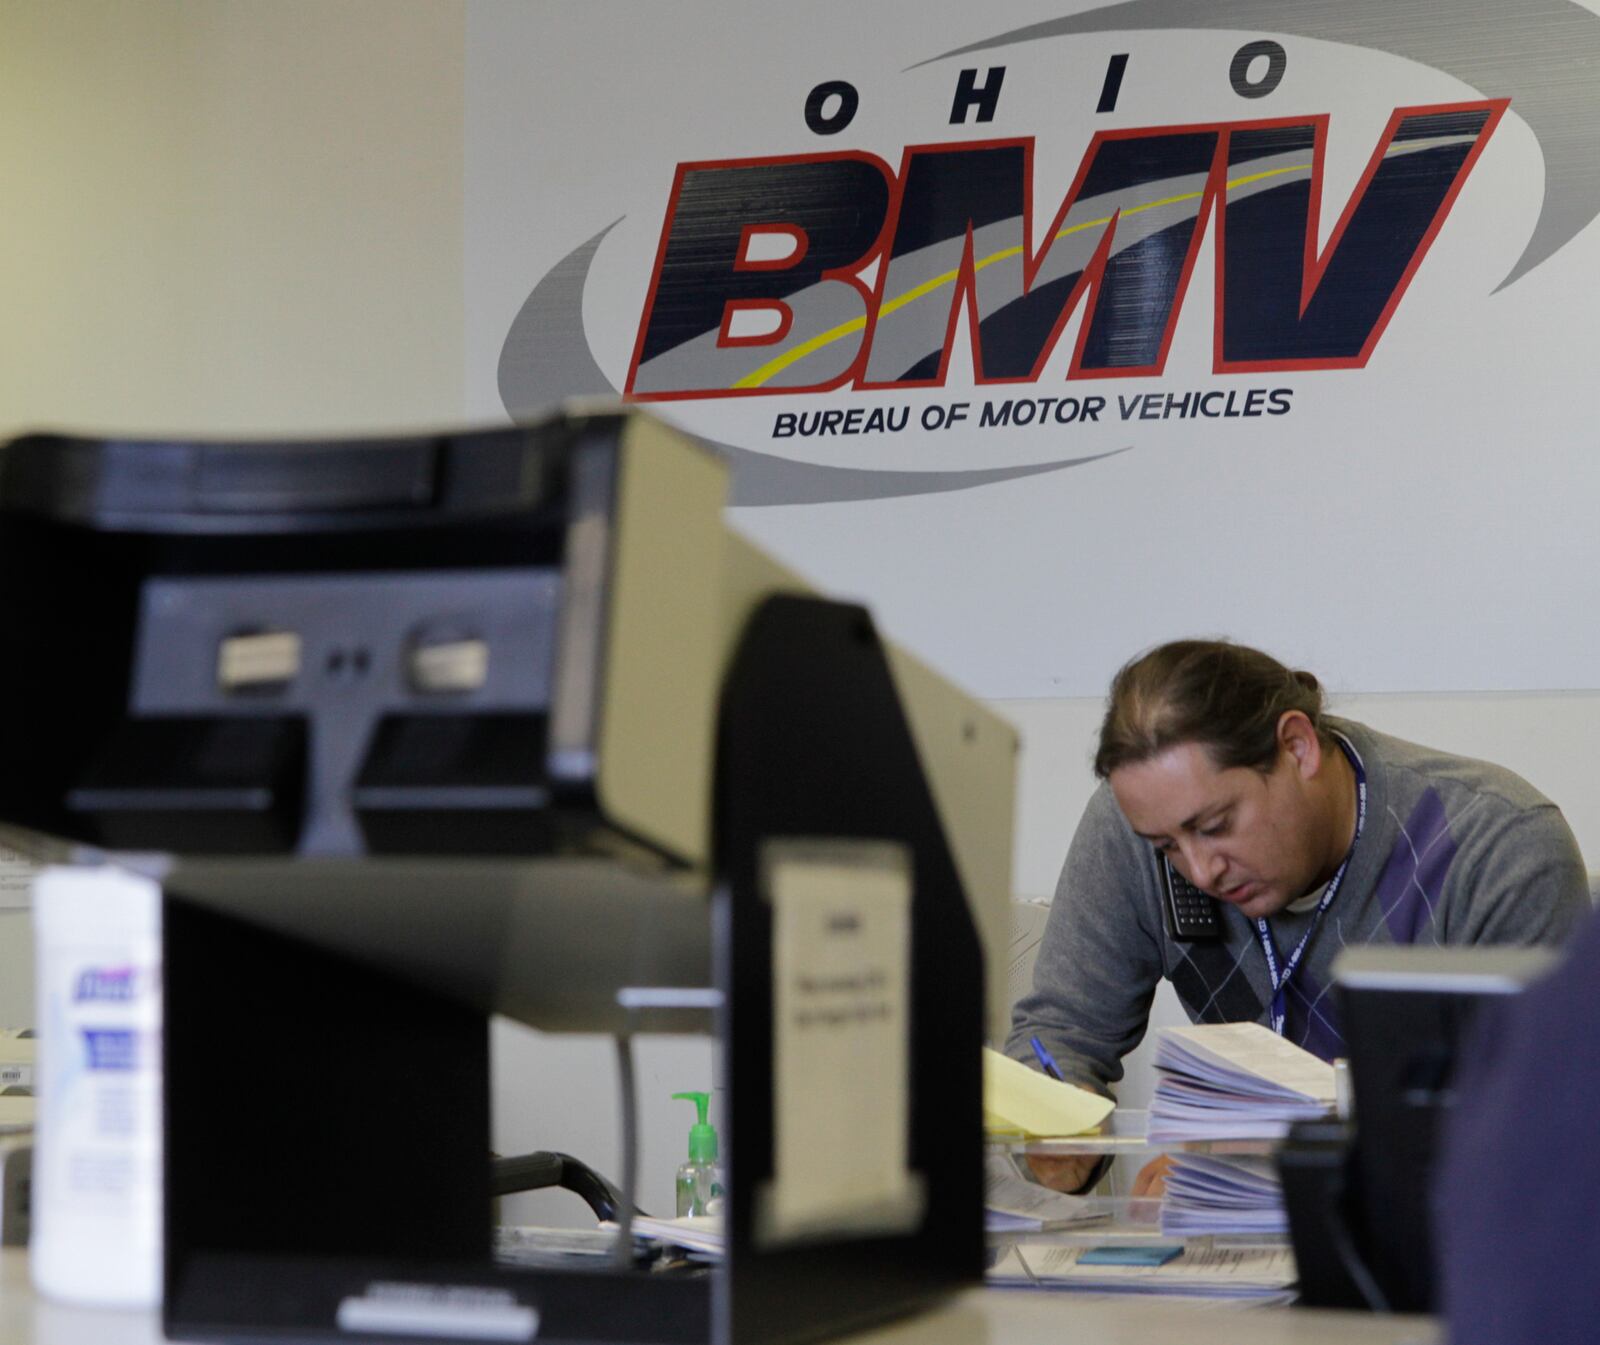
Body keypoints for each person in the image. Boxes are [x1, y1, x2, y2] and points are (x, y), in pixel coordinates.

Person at [1007, 639, 1590, 1194]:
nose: (1200, 870)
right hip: (1236, 1252)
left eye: (1215, 827)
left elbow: (1541, 1131)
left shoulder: (1496, 848)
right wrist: (1058, 1136)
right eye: (1167, 848)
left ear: (1297, 747)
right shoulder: (1136, 828)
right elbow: (1059, 1034)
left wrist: (1265, 1171)